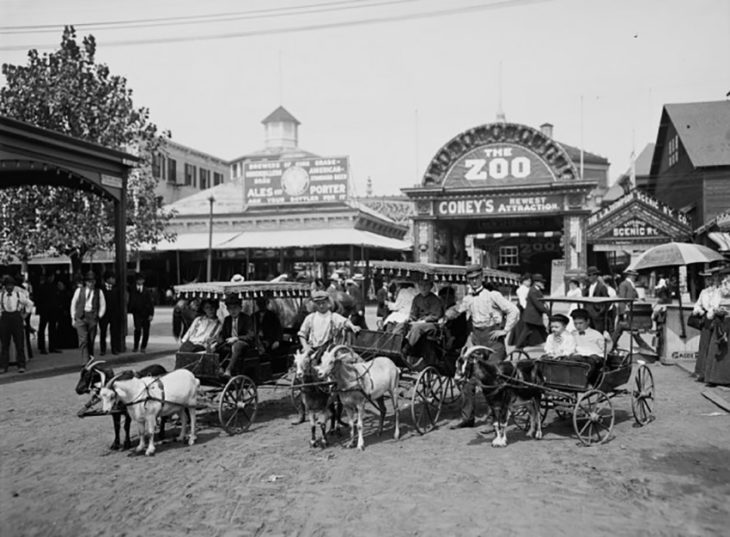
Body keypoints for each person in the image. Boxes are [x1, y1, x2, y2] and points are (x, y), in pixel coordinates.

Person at [449, 264, 519, 429]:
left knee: (493, 379)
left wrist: (505, 330)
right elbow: (458, 310)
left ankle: (493, 419)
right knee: (467, 380)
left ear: (482, 278)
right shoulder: (468, 298)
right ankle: (467, 418)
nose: (473, 282)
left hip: (493, 340)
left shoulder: (492, 295)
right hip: (478, 340)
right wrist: (448, 313)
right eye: (470, 279)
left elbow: (513, 310)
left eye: (476, 278)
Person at [298, 290, 361, 359]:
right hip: (313, 350)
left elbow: (345, 322)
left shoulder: (333, 316)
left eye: (323, 303)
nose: (321, 306)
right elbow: (302, 334)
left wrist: (353, 326)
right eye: (318, 304)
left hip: (329, 352)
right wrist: (305, 346)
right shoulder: (310, 318)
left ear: (328, 303)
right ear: (315, 305)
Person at [403, 278, 444, 363]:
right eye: (421, 285)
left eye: (426, 285)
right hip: (418, 323)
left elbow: (436, 315)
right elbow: (413, 314)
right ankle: (397, 346)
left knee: (417, 327)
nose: (423, 287)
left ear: (431, 286)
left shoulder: (435, 300)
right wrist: (410, 319)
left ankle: (407, 348)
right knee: (401, 324)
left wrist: (424, 320)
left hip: (432, 325)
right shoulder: (417, 299)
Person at [70, 271, 106, 363]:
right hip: (81, 316)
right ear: (85, 282)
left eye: (93, 281)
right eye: (89, 281)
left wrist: (99, 316)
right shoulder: (79, 291)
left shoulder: (99, 292)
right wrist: (73, 317)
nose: (91, 283)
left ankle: (90, 359)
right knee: (83, 340)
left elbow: (103, 305)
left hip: (92, 317)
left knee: (90, 340)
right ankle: (85, 362)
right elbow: (73, 303)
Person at [0, 275, 34, 373]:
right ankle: (3, 366)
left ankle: (21, 365)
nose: (9, 287)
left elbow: (30, 304)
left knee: (19, 343)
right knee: (4, 344)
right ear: (5, 286)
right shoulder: (1, 295)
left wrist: (25, 315)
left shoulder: (19, 294)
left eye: (11, 285)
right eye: (7, 285)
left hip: (17, 318)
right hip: (5, 319)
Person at [693, 268, 721, 381]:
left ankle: (712, 373)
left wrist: (713, 311)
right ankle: (701, 372)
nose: (709, 281)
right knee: (704, 346)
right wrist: (698, 310)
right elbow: (697, 304)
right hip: (706, 320)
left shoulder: (719, 292)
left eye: (711, 278)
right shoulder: (704, 292)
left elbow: (719, 305)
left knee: (713, 346)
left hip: (716, 319)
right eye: (706, 279)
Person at [216, 295, 255, 378]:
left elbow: (251, 336)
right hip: (229, 343)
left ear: (240, 308)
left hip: (244, 344)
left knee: (237, 345)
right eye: (230, 308)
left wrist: (237, 338)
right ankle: (219, 368)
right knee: (216, 346)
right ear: (227, 309)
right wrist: (218, 341)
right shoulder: (227, 320)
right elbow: (223, 334)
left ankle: (228, 370)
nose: (232, 311)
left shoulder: (246, 319)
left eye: (235, 308)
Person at [568, 308, 606, 386]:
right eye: (575, 323)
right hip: (579, 357)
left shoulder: (596, 334)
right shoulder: (572, 334)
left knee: (590, 362)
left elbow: (604, 350)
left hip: (595, 357)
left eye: (580, 323)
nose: (578, 326)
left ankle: (583, 381)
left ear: (588, 321)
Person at [514, 273, 549, 349]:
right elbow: (537, 303)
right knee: (529, 331)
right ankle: (518, 346)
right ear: (536, 282)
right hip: (532, 316)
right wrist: (546, 311)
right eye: (541, 282)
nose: (542, 283)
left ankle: (518, 346)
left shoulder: (536, 290)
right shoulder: (533, 290)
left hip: (534, 316)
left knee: (541, 331)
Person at [128, 272, 154, 353]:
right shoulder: (132, 289)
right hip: (137, 313)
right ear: (136, 281)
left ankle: (143, 347)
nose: (140, 281)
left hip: (146, 313)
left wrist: (151, 314)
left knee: (146, 331)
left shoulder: (147, 291)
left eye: (142, 280)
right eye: (139, 280)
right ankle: (135, 346)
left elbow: (151, 303)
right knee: (137, 329)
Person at [35, 272, 61, 355]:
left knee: (52, 328)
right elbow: (38, 299)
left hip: (52, 309)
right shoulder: (42, 287)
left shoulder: (54, 286)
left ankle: (52, 346)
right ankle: (42, 347)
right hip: (45, 309)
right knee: (43, 328)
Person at [98, 270, 121, 355]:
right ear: (107, 279)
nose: (114, 280)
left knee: (114, 332)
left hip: (114, 314)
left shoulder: (116, 289)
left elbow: (119, 302)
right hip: (104, 314)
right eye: (112, 278)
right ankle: (103, 349)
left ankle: (114, 348)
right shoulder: (100, 289)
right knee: (103, 332)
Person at [583, 266, 609, 331]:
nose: (588, 277)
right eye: (588, 275)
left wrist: (601, 312)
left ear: (595, 276)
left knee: (598, 332)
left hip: (597, 314)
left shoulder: (601, 287)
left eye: (590, 275)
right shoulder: (588, 287)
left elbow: (607, 301)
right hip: (588, 314)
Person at [508, 274, 532, 346]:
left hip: (525, 307)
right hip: (522, 308)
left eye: (530, 281)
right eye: (527, 281)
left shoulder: (528, 288)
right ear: (523, 281)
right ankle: (519, 340)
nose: (529, 282)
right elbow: (522, 301)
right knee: (521, 324)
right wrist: (525, 308)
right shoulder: (521, 289)